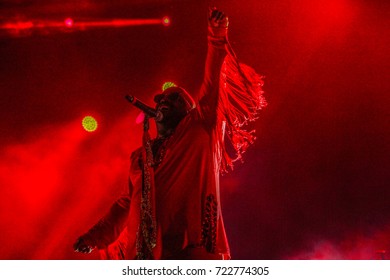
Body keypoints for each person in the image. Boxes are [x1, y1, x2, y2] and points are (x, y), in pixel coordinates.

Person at [73, 7, 266, 260]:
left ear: (188, 111)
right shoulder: (139, 156)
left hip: (193, 251)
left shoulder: (198, 131)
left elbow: (210, 88)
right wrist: (94, 236)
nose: (165, 100)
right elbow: (124, 204)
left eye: (174, 99)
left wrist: (216, 37)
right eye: (162, 98)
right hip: (149, 257)